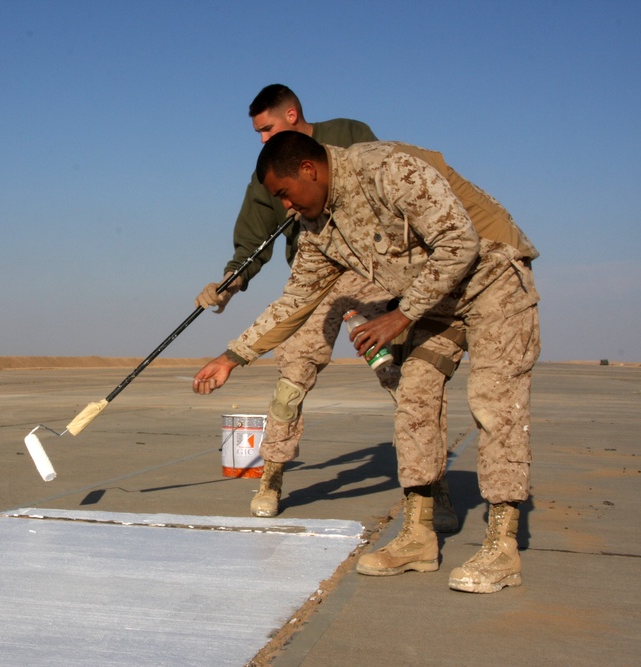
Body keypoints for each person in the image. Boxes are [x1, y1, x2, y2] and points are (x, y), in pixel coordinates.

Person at [194, 131, 540, 594]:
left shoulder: (383, 169)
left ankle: (502, 548)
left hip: (493, 277)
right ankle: (419, 536)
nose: (288, 208)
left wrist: (402, 314)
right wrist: (232, 356)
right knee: (414, 397)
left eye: (285, 194)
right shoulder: (320, 233)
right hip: (437, 300)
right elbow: (294, 302)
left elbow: (460, 241)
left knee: (494, 403)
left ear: (309, 171)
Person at [196, 84, 458, 531]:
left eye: (267, 128)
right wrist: (231, 281)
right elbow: (253, 240)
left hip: (368, 271)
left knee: (400, 377)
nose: (261, 140)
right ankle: (272, 478)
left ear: (293, 115)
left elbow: (384, 192)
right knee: (293, 374)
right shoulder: (270, 174)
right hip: (314, 275)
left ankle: (432, 489)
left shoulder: (349, 134)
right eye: (258, 132)